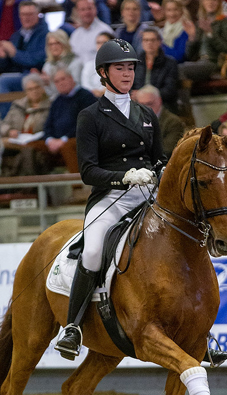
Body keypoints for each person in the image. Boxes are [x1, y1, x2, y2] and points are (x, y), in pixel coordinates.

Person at [54, 38, 165, 359]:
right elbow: (88, 171)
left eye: (131, 67)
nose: (127, 73)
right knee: (91, 251)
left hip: (150, 195)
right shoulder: (91, 116)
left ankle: (202, 328)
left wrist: (165, 174)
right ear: (104, 72)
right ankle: (73, 327)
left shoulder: (146, 114)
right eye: (120, 68)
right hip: (112, 196)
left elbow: (159, 159)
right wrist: (124, 177)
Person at [0, 1, 48, 96]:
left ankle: (8, 111)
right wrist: (2, 57)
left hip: (34, 75)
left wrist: (14, 53)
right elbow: (5, 67)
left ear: (38, 15)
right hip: (16, 74)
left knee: (0, 82)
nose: (26, 18)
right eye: (23, 14)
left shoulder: (45, 35)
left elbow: (36, 60)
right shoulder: (16, 35)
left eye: (30, 14)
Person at [43, 67, 97, 173]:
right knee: (33, 148)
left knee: (68, 147)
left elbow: (85, 124)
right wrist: (50, 139)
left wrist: (63, 139)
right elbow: (47, 125)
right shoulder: (57, 101)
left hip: (81, 138)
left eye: (63, 79)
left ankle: (76, 186)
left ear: (71, 78)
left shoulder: (85, 96)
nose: (60, 83)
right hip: (57, 141)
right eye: (57, 81)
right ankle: (31, 188)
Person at [0, 73, 51, 175]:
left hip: (37, 142)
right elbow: (3, 125)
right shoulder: (18, 106)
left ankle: (27, 186)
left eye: (37, 87)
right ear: (26, 91)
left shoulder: (51, 106)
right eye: (30, 89)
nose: (34, 91)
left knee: (27, 152)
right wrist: (9, 131)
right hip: (16, 140)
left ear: (42, 88)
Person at [178, 0, 227, 82]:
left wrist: (210, 34)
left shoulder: (226, 21)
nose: (210, 2)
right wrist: (192, 37)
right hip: (199, 62)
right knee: (171, 68)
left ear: (219, 3)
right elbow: (188, 55)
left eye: (214, 0)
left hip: (215, 62)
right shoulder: (200, 23)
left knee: (179, 69)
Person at [131, 27, 179, 114]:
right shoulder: (135, 63)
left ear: (159, 42)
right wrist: (132, 93)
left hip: (162, 104)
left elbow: (170, 90)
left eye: (153, 40)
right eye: (146, 40)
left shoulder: (170, 63)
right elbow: (128, 86)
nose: (149, 43)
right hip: (138, 103)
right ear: (142, 43)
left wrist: (148, 96)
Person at [136, 84, 185, 158]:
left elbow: (168, 150)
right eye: (141, 105)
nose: (145, 109)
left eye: (149, 104)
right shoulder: (134, 120)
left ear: (159, 101)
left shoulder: (173, 122)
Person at [39, 30, 84, 100]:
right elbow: (49, 93)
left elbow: (75, 87)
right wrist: (46, 84)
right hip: (54, 101)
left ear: (64, 43)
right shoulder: (47, 65)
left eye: (57, 43)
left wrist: (51, 83)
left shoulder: (75, 63)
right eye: (51, 44)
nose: (54, 47)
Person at [69, 0, 114, 64]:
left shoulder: (105, 31)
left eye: (89, 8)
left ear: (95, 9)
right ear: (77, 12)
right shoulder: (75, 35)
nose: (86, 12)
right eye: (83, 9)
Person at [81, 31, 113, 97]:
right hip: (91, 98)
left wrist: (104, 91)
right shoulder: (89, 65)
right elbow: (85, 85)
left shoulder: (119, 65)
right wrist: (94, 92)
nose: (101, 45)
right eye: (98, 43)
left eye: (104, 43)